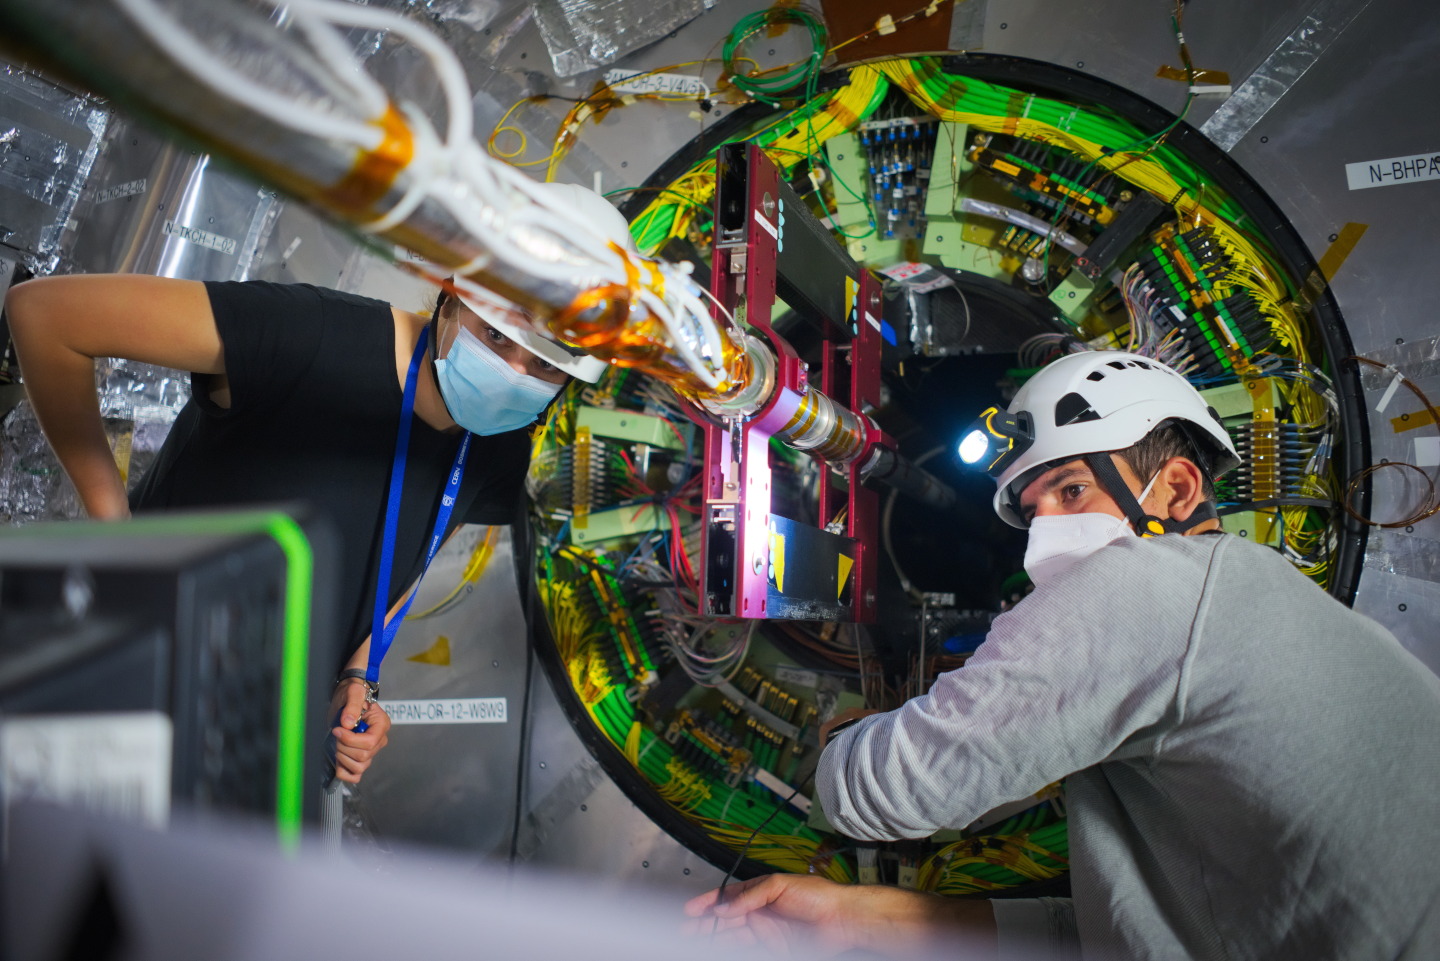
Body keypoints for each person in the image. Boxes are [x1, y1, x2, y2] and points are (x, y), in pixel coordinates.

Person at [686, 351, 1440, 959]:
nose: (1044, 531)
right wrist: (862, 915)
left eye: (1072, 490)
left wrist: (838, 741)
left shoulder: (1152, 584)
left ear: (1177, 488)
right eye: (1031, 511)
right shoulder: (1254, 604)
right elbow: (1124, 931)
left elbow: (889, 791)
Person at [4, 182, 625, 784]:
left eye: (545, 365)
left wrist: (357, 679)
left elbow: (411, 550)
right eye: (497, 336)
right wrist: (115, 540)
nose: (513, 373)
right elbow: (46, 316)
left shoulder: (497, 445)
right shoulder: (310, 335)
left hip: (239, 741)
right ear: (455, 290)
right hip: (116, 682)